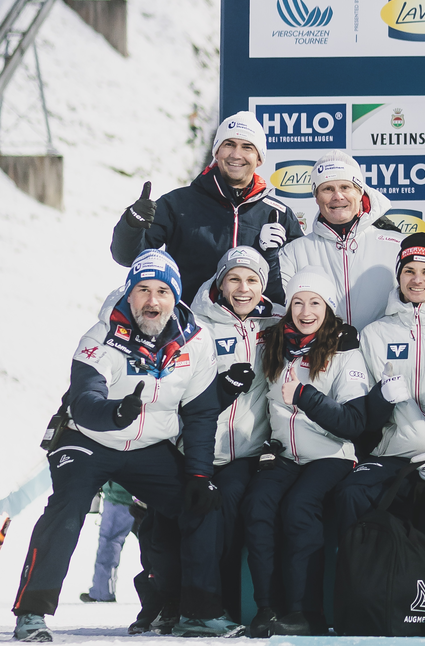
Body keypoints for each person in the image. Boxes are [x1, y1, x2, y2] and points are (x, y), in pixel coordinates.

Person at [13, 250, 243, 641]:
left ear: (176, 296)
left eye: (162, 291)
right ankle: (31, 614)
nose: (152, 301)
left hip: (147, 446)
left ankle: (199, 613)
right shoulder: (99, 335)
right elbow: (84, 402)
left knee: (204, 503)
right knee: (67, 510)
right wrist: (116, 413)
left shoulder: (197, 340)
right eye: (143, 290)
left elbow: (201, 414)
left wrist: (200, 474)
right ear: (129, 293)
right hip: (88, 438)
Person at [241, 267, 398, 636]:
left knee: (300, 507)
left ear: (328, 308)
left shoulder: (345, 352)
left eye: (315, 302)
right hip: (284, 455)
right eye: (298, 302)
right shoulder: (276, 346)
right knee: (258, 504)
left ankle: (304, 612)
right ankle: (266, 607)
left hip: (331, 454)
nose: (305, 310)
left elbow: (354, 422)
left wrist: (304, 397)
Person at [334, 232, 425, 611]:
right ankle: (357, 601)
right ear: (398, 277)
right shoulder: (375, 334)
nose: (416, 279)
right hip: (391, 453)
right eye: (408, 271)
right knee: (350, 494)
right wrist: (381, 398)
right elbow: (361, 411)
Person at [110, 112, 303, 305]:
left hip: (254, 330)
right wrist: (132, 224)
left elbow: (301, 280)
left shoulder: (278, 214)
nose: (236, 154)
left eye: (247, 147)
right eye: (229, 144)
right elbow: (128, 258)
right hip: (191, 326)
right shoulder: (177, 203)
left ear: (259, 159)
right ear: (216, 152)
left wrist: (267, 254)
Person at [280, 150, 425, 331]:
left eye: (346, 187)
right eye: (328, 189)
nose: (338, 196)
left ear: (360, 192)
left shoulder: (395, 243)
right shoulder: (295, 252)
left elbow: (422, 283)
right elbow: (284, 309)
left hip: (386, 352)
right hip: (324, 357)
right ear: (316, 196)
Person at [189, 246, 280, 616]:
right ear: (220, 282)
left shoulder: (274, 323)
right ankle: (172, 604)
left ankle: (224, 606)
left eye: (253, 280)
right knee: (183, 517)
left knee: (227, 507)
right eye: (235, 279)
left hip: (246, 449)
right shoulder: (197, 326)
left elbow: (315, 332)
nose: (244, 288)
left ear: (263, 287)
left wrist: (339, 338)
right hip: (198, 448)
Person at [79, 482, 136, 603]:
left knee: (109, 543)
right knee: (157, 545)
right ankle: (166, 594)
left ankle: (102, 592)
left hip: (119, 497)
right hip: (140, 495)